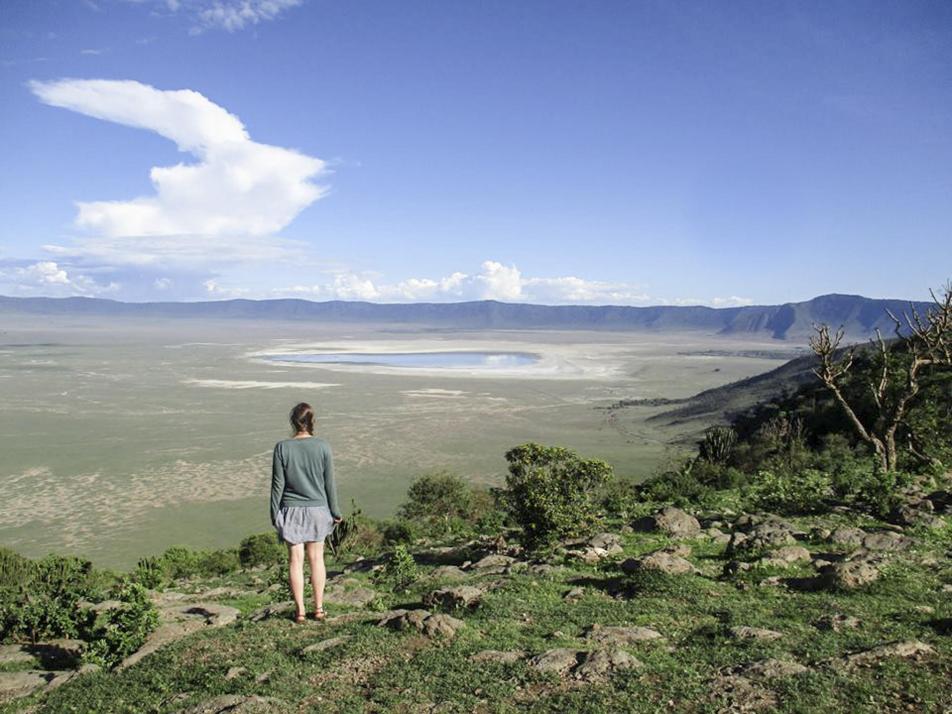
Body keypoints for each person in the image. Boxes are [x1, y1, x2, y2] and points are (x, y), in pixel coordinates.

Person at [270, 402, 343, 623]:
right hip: (318, 509)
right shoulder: (323, 446)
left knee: (295, 561)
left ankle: (300, 611)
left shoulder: (282, 447)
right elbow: (329, 483)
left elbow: (277, 485)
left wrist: (275, 514)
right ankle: (319, 609)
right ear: (312, 422)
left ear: (293, 421)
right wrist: (335, 511)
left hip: (290, 510)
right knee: (317, 559)